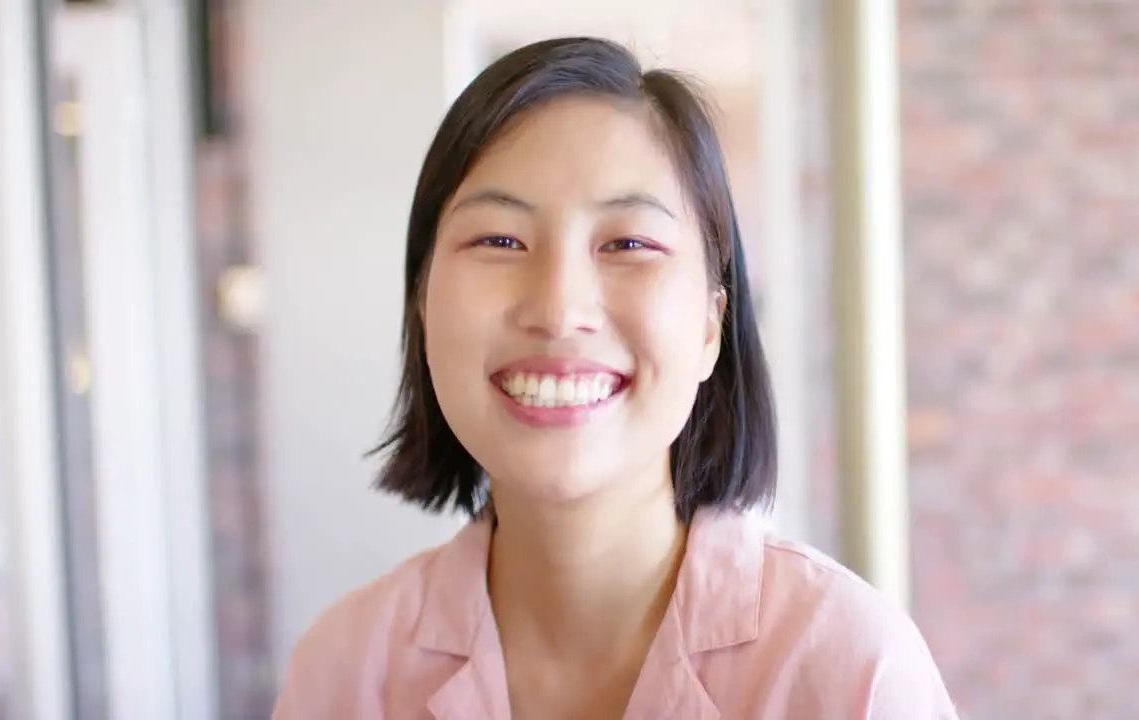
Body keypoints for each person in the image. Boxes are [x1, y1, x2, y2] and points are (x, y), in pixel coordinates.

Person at [273, 36, 958, 719]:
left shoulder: (850, 670)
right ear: (421, 302)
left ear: (711, 326)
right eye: (500, 241)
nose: (559, 310)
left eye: (628, 244)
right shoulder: (343, 671)